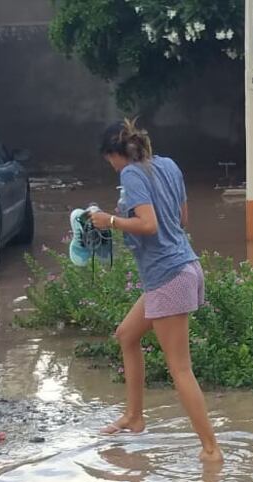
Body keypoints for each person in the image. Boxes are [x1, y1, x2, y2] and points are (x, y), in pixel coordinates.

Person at [89, 119, 222, 464]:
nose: (112, 167)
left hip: (169, 276)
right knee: (126, 335)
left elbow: (149, 225)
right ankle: (134, 417)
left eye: (110, 161)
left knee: (180, 368)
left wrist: (111, 221)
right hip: (184, 267)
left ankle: (211, 449)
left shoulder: (130, 174)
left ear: (116, 154)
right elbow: (182, 219)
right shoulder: (168, 165)